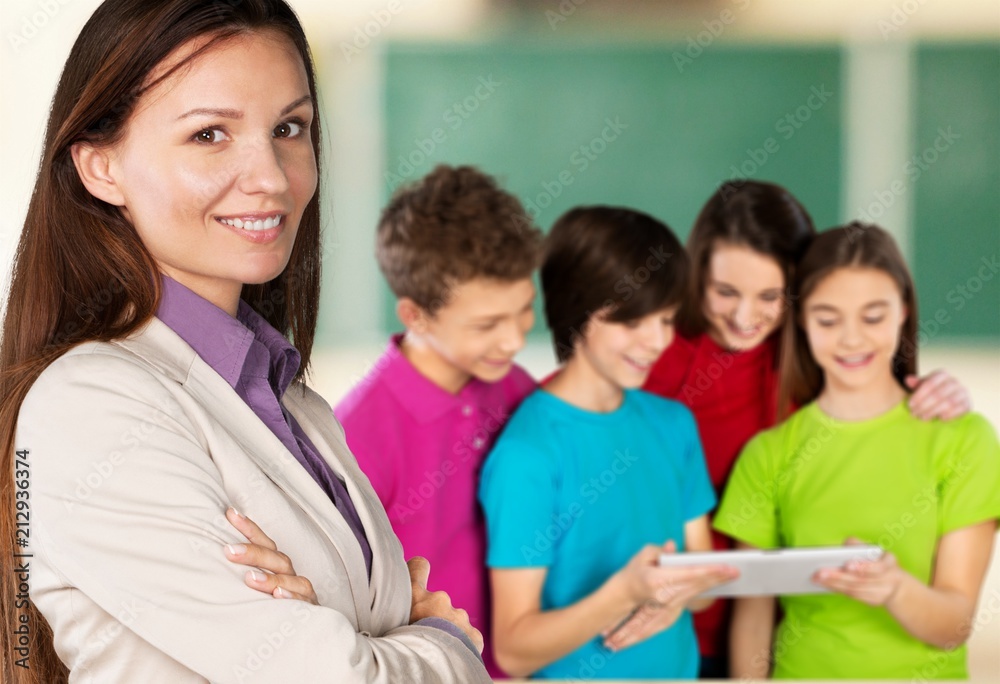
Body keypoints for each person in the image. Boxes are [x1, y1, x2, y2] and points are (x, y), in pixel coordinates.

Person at [0, 1, 489, 682]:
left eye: (289, 128)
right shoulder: (91, 407)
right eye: (209, 135)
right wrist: (444, 643)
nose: (271, 177)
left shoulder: (292, 401)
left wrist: (342, 633)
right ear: (100, 168)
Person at [641, 180, 973, 677]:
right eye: (725, 291)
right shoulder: (651, 358)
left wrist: (942, 390)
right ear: (697, 276)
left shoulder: (814, 358)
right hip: (670, 623)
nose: (746, 316)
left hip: (794, 627)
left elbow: (875, 402)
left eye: (770, 296)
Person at [714, 223, 1000, 679]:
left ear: (903, 312)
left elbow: (955, 625)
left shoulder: (964, 439)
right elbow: (754, 615)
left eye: (873, 317)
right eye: (828, 320)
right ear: (802, 319)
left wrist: (895, 589)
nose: (851, 339)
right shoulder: (767, 454)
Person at [478, 206, 739, 680]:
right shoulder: (527, 456)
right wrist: (625, 593)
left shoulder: (674, 423)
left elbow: (702, 586)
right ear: (577, 310)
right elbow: (514, 650)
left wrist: (675, 593)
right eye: (633, 322)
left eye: (666, 320)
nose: (658, 341)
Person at [334, 164, 541, 677]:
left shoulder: (517, 389)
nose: (515, 341)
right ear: (415, 316)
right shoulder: (357, 434)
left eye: (524, 311)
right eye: (487, 324)